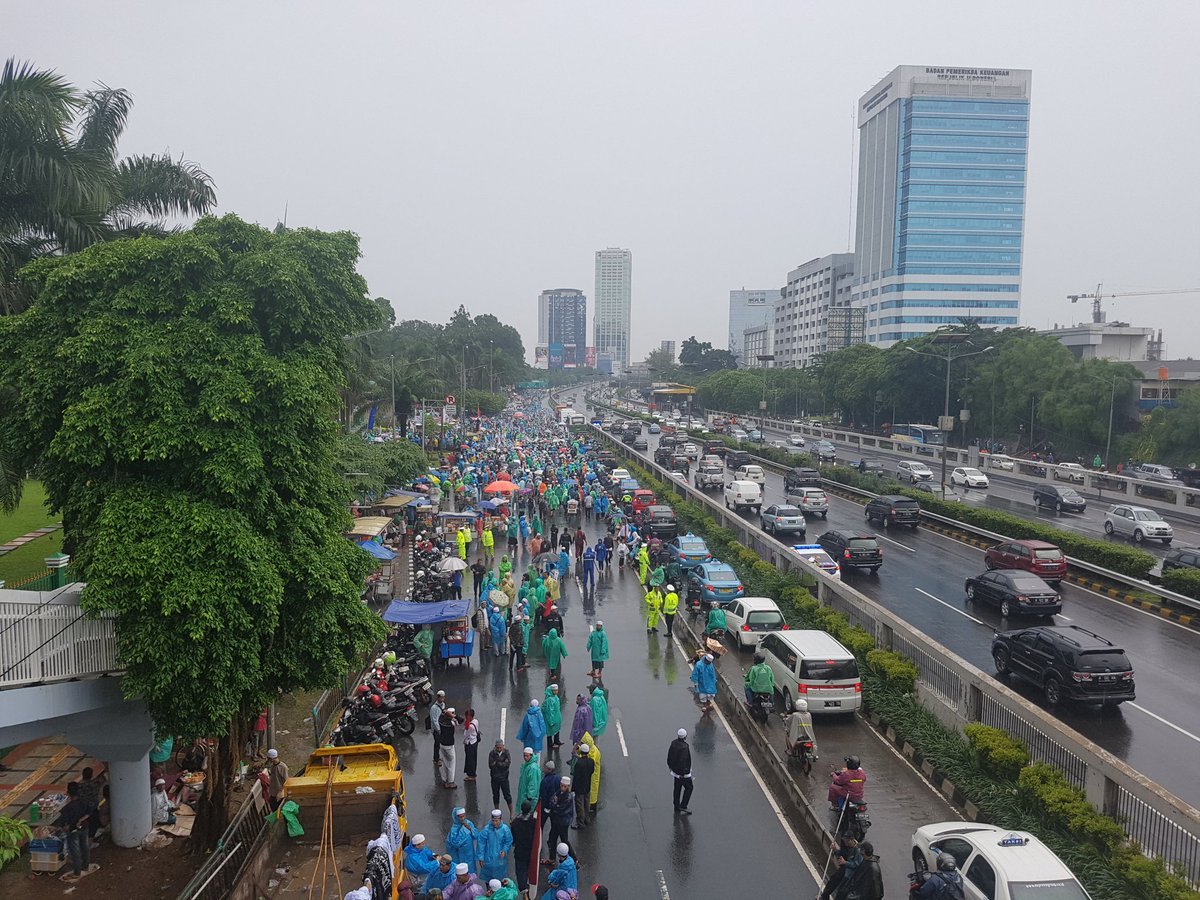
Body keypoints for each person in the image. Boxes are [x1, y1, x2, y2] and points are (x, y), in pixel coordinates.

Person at [55, 781, 98, 883]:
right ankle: (86, 866)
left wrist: (65, 827)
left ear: (68, 793)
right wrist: (81, 820)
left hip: (73, 831)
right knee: (85, 846)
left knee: (75, 851)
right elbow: (89, 812)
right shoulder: (84, 802)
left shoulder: (67, 808)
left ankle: (77, 872)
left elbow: (63, 825)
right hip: (85, 827)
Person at [510, 800, 538, 897]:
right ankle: (530, 889)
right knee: (529, 870)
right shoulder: (534, 822)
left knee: (521, 871)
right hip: (531, 851)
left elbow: (512, 839)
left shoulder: (515, 822)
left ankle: (524, 891)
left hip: (519, 851)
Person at [478, 810, 513, 884]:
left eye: (496, 821)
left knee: (499, 881)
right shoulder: (487, 829)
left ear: (500, 819)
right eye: (493, 821)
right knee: (488, 880)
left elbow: (508, 841)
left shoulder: (505, 829)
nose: (495, 823)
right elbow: (481, 843)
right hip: (488, 858)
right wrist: (481, 857)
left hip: (500, 859)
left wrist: (504, 850)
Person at [545, 776, 574, 856]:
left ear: (568, 787)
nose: (562, 788)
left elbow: (560, 809)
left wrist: (554, 805)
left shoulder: (568, 797)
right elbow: (552, 801)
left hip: (563, 822)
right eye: (561, 785)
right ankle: (552, 858)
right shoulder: (559, 792)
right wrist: (555, 805)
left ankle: (575, 859)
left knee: (565, 840)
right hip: (557, 820)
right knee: (553, 840)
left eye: (564, 786)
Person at [667, 728, 693, 814]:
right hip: (683, 774)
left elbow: (669, 756)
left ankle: (676, 806)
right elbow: (683, 760)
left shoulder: (673, 743)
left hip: (675, 772)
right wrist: (684, 772)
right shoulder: (685, 747)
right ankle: (683, 805)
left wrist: (671, 767)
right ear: (685, 736)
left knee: (677, 789)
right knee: (689, 788)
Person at [447, 807, 480, 872]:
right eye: (460, 817)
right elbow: (455, 843)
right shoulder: (454, 829)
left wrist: (470, 829)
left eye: (463, 816)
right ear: (456, 817)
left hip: (469, 853)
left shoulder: (468, 823)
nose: (462, 819)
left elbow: (476, 835)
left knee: (470, 871)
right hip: (459, 856)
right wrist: (464, 830)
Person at [570, 744, 595, 829]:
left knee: (579, 804)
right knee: (586, 802)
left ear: (581, 751)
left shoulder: (578, 763)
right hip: (587, 785)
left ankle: (580, 822)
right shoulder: (591, 761)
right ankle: (587, 819)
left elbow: (576, 776)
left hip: (579, 787)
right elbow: (592, 771)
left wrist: (573, 788)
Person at [489, 739, 514, 816]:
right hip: (494, 778)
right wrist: (501, 763)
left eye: (500, 747)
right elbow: (491, 765)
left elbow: (507, 764)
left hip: (504, 778)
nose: (499, 749)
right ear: (495, 747)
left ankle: (511, 814)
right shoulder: (492, 753)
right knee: (495, 795)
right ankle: (497, 812)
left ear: (503, 746)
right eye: (498, 747)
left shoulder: (506, 752)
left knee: (507, 796)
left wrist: (497, 763)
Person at [440, 708, 460, 788]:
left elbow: (442, 716)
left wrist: (446, 713)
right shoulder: (452, 723)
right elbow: (460, 720)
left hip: (442, 744)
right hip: (449, 745)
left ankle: (445, 779)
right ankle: (450, 782)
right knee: (451, 763)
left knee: (445, 762)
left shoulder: (441, 720)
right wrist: (453, 716)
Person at [543, 684, 564, 753]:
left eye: (557, 690)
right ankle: (550, 744)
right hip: (552, 718)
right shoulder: (550, 699)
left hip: (556, 717)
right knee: (550, 732)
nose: (556, 692)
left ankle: (556, 741)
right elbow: (549, 711)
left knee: (557, 729)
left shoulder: (555, 697)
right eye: (555, 690)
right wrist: (551, 720)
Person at [464, 709, 481, 782]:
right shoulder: (476, 721)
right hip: (474, 742)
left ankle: (471, 775)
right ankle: (472, 773)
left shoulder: (470, 726)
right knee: (473, 759)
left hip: (470, 743)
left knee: (470, 760)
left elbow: (466, 734)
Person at [431, 690, 447, 764]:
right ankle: (436, 759)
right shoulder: (434, 708)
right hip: (436, 730)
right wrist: (438, 729)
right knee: (437, 744)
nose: (443, 699)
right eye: (441, 697)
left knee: (439, 743)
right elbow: (434, 721)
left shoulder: (442, 705)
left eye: (443, 697)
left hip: (441, 727)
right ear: (438, 697)